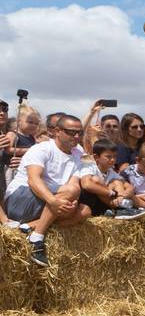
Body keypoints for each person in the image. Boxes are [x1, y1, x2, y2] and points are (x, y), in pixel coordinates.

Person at [2, 112, 92, 266]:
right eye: (71, 132)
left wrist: (71, 205)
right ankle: (37, 238)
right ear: (57, 131)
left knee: (85, 211)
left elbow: (75, 184)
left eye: (80, 133)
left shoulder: (76, 158)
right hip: (19, 199)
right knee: (70, 192)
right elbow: (33, 180)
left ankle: (27, 228)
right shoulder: (42, 149)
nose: (76, 136)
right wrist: (54, 201)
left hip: (46, 203)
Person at [78, 138, 143, 219]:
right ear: (96, 157)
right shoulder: (89, 167)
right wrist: (111, 192)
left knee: (117, 182)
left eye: (115, 156)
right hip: (89, 203)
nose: (112, 160)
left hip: (106, 203)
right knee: (96, 180)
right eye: (108, 157)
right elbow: (86, 185)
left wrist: (122, 195)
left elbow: (129, 187)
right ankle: (119, 209)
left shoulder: (111, 171)